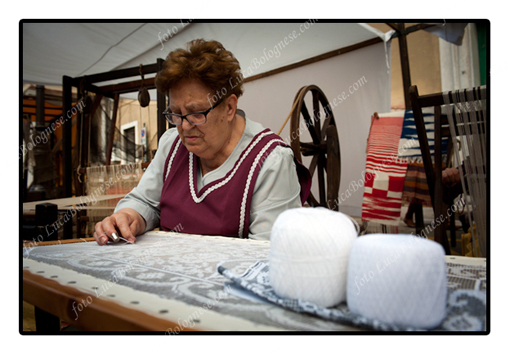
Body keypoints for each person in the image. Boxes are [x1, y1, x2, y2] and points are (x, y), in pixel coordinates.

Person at [94, 39, 311, 245]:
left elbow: (266, 252)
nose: (185, 126)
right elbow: (145, 202)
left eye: (196, 113)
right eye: (176, 113)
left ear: (229, 108)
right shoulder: (171, 145)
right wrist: (129, 216)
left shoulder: (270, 162)